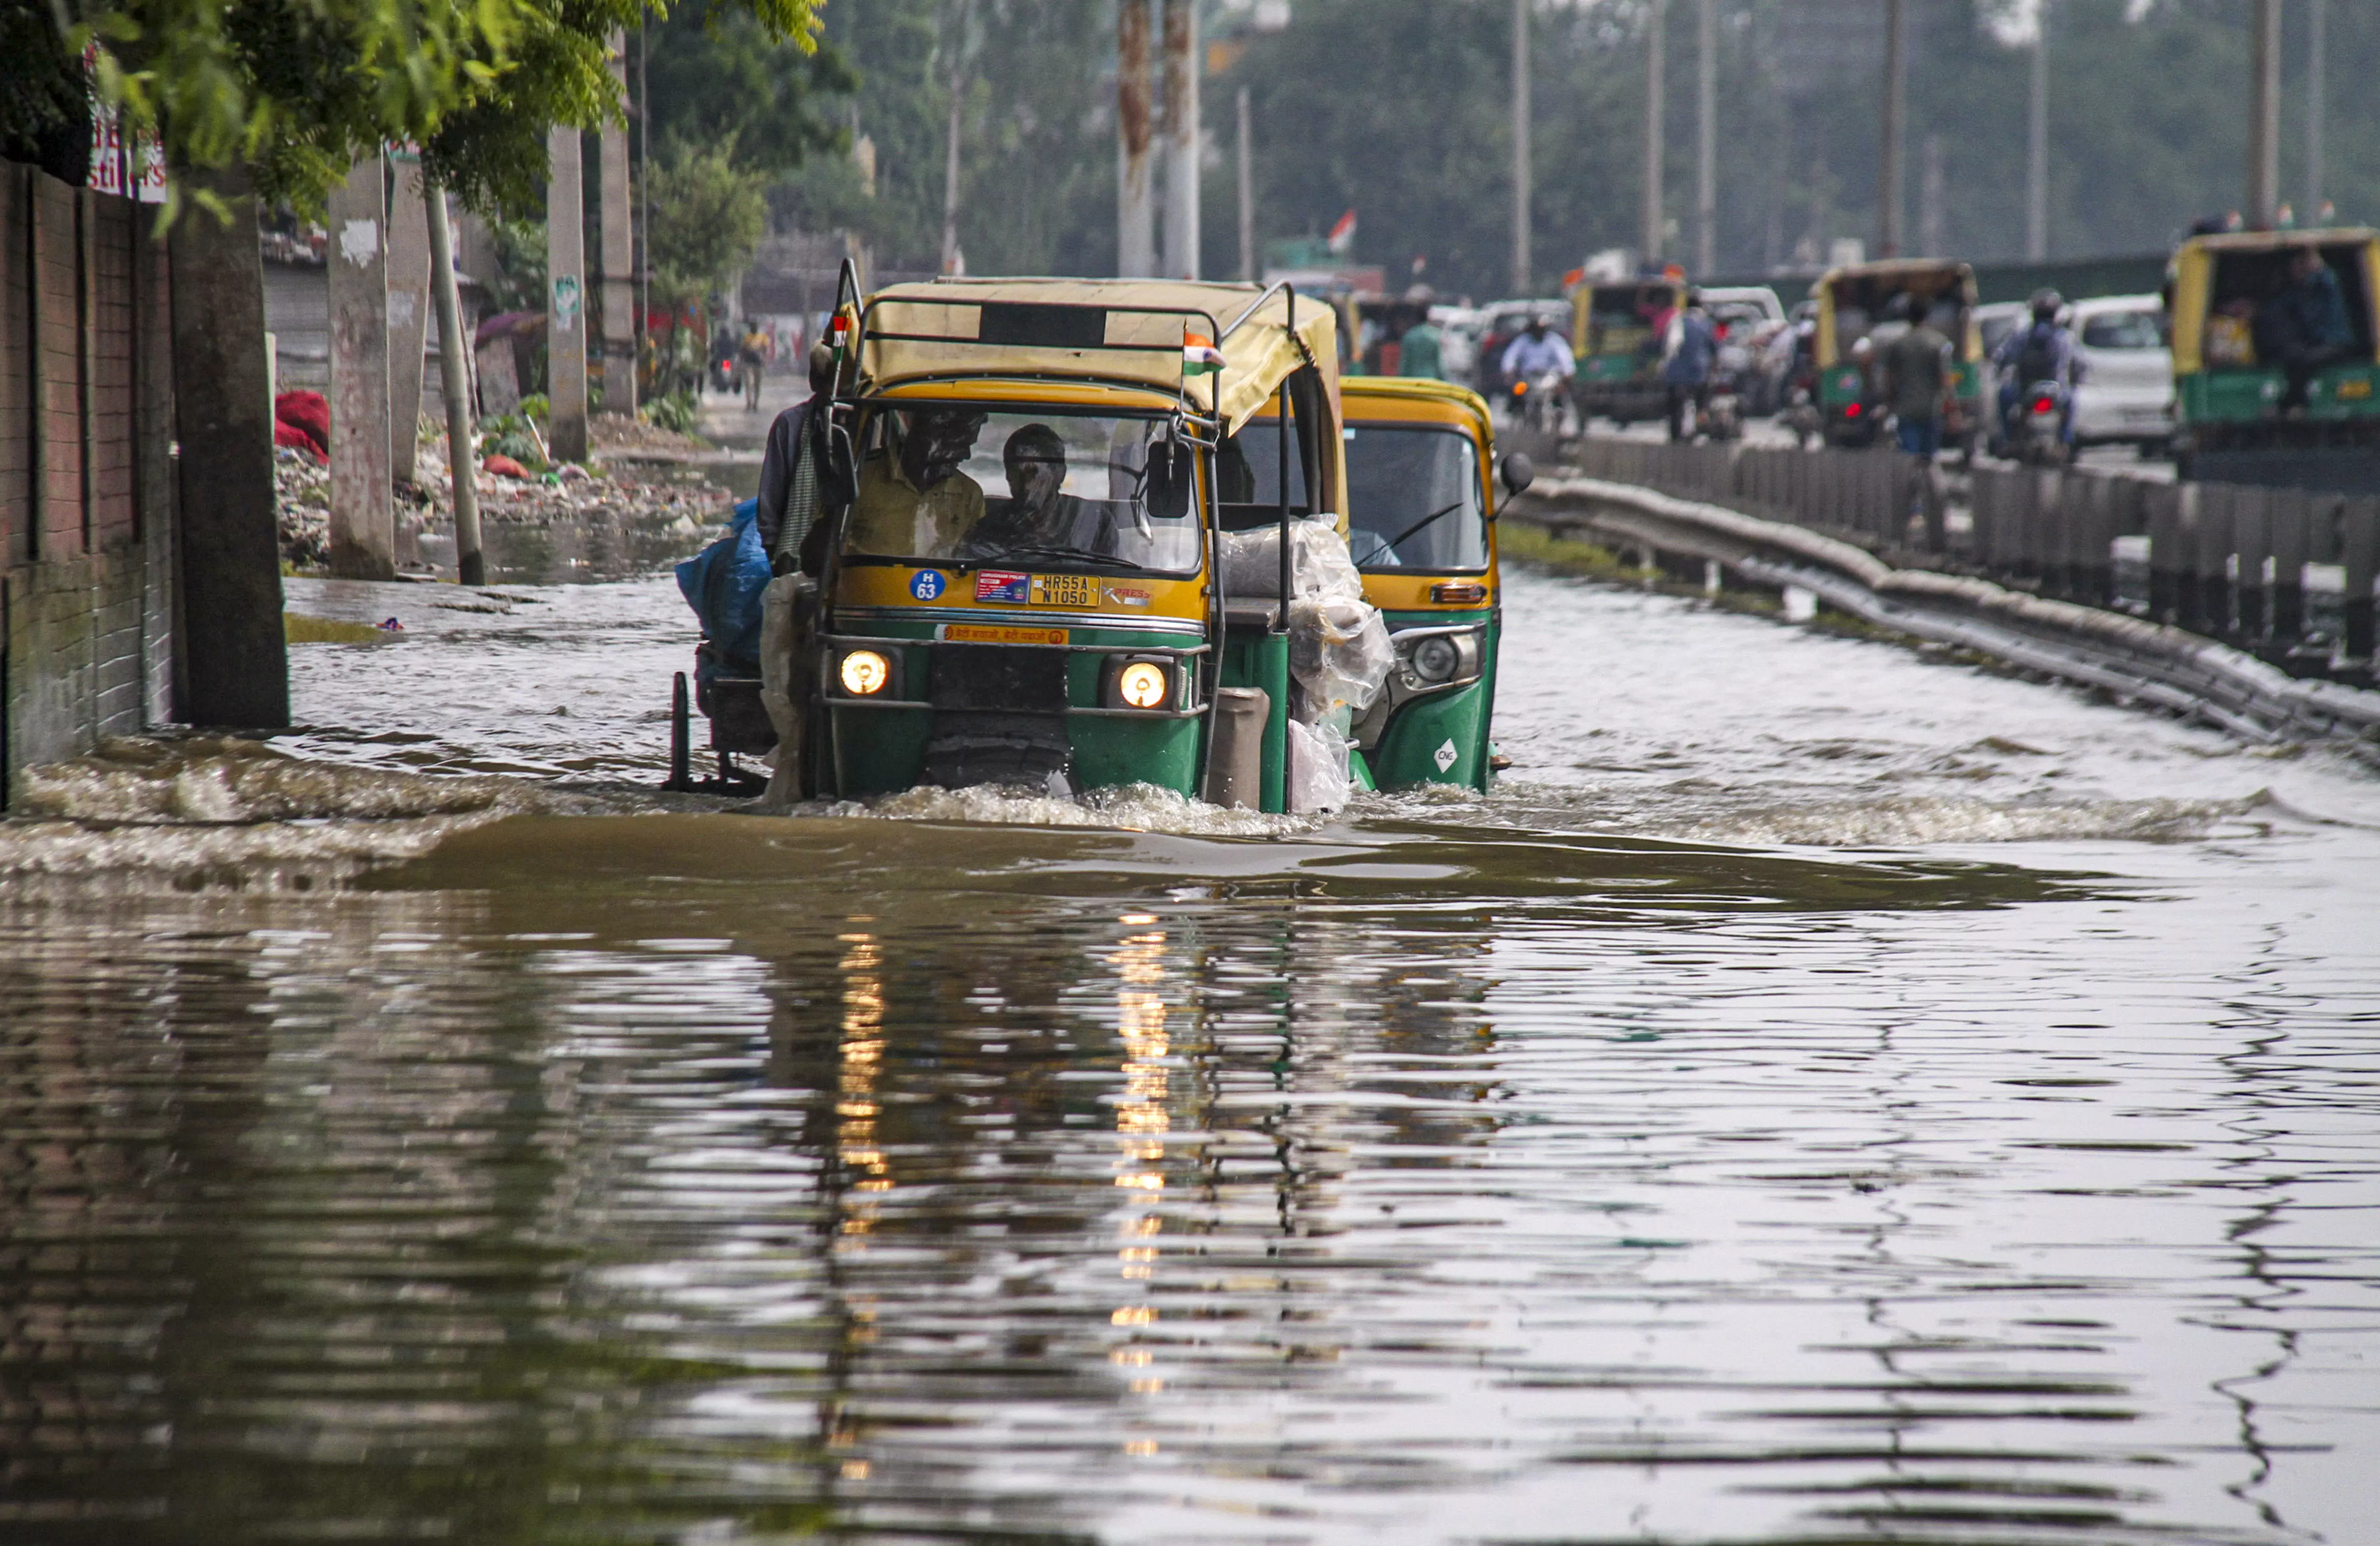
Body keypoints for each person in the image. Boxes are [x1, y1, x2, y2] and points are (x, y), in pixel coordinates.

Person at [844, 407, 988, 558]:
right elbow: (827, 547)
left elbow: (976, 558)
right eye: (958, 445)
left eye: (968, 445)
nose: (967, 455)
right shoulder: (861, 479)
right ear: (924, 433)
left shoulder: (970, 494)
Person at [754, 343, 842, 574]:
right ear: (814, 381)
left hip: (846, 558)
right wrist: (773, 551)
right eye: (829, 381)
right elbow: (771, 494)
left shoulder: (867, 425)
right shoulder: (790, 425)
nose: (835, 392)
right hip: (793, 557)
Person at [959, 424, 1093, 559]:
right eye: (1016, 474)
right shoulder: (990, 528)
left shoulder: (1090, 521)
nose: (1026, 485)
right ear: (1007, 476)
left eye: (1033, 473)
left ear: (1060, 474)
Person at [2260, 245, 2356, 413]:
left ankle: (2293, 405)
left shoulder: (2325, 283)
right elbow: (2279, 307)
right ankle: (2290, 404)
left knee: (2306, 361)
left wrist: (2317, 264)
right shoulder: (2298, 293)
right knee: (2294, 357)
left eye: (2297, 266)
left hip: (2337, 342)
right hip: (2318, 341)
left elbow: (2325, 279)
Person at [1993, 288, 2080, 446]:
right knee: (2071, 401)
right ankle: (2065, 441)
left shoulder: (2022, 336)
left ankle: (2008, 439)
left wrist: (1999, 372)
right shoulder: (2065, 337)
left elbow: (2003, 356)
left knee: (2003, 396)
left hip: (2025, 390)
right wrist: (2077, 379)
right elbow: (2079, 363)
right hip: (2056, 390)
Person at [1880, 292, 1952, 459]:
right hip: (1931, 409)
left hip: (1907, 410)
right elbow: (1945, 378)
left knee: (1909, 457)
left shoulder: (1898, 345)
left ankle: (1911, 483)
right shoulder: (1938, 343)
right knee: (1929, 457)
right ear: (1927, 315)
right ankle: (1926, 483)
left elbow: (1889, 378)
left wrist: (1889, 403)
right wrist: (1952, 408)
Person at [1662, 291, 1717, 442]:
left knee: (1676, 406)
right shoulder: (1707, 324)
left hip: (1678, 374)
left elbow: (1670, 347)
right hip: (1700, 372)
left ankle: (1676, 437)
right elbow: (1714, 348)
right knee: (1702, 403)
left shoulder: (1678, 322)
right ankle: (1701, 430)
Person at [1497, 315, 1573, 413]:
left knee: (1559, 393)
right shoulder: (1523, 341)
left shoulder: (1554, 341)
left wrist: (1568, 373)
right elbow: (1510, 357)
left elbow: (1565, 358)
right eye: (1537, 329)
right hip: (1528, 377)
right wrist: (1508, 371)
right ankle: (1517, 412)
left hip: (1549, 377)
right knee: (1517, 390)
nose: (1539, 332)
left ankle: (1558, 414)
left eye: (1542, 329)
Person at [1399, 314, 1444, 381]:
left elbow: (1405, 361)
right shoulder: (1435, 335)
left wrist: (1402, 378)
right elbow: (1439, 361)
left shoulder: (1409, 336)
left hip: (1412, 378)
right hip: (1431, 377)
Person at [738, 321, 770, 412]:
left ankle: (756, 404)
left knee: (757, 384)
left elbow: (765, 349)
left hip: (758, 364)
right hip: (748, 363)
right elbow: (743, 350)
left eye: (755, 326)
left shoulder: (763, 337)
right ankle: (749, 403)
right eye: (753, 326)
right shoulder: (747, 337)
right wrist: (741, 361)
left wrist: (764, 359)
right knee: (748, 383)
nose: (754, 328)